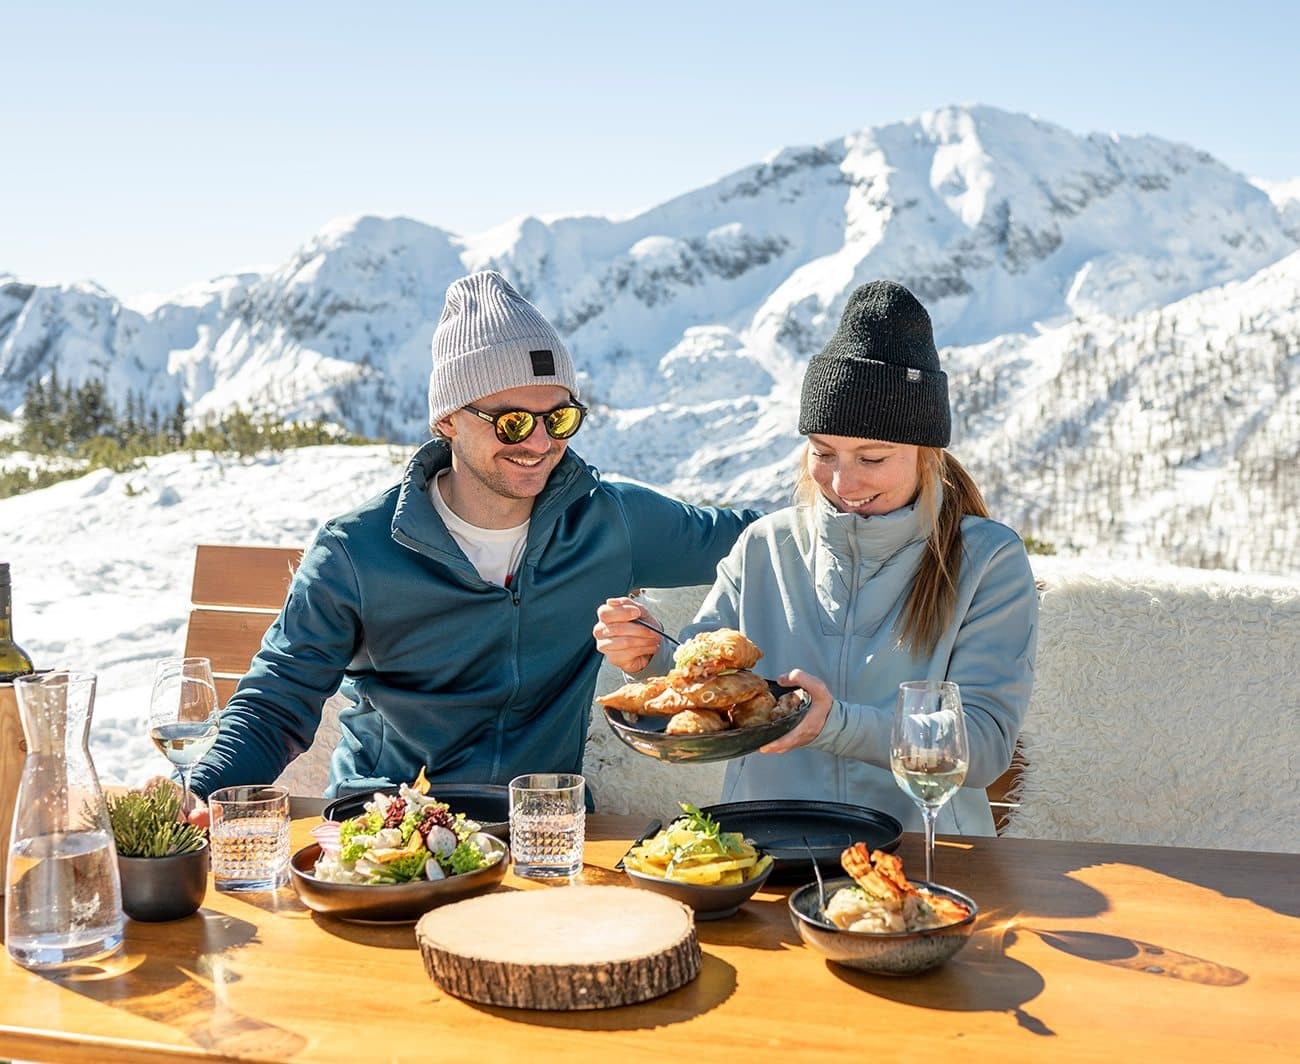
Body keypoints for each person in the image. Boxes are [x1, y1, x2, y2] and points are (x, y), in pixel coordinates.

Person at [186, 270, 761, 802]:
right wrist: (194, 791)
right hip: (391, 833)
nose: (539, 443)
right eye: (512, 421)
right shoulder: (356, 553)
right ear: (447, 420)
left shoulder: (612, 522)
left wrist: (841, 475)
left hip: (544, 831)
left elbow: (758, 539)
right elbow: (275, 702)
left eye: (558, 418)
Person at [594, 280, 1038, 835]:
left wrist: (835, 724)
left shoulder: (986, 561)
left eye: (872, 457)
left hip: (927, 852)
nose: (843, 481)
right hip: (767, 843)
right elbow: (706, 676)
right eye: (823, 453)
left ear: (927, 454)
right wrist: (651, 654)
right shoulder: (764, 546)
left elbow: (987, 744)